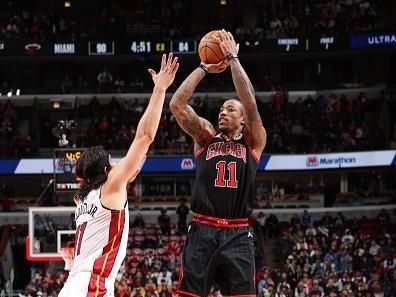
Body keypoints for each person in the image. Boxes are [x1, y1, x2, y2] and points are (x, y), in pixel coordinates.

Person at [58, 53, 179, 297]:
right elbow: (145, 137)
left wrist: (70, 263)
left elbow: (134, 167)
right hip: (91, 286)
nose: (118, 164)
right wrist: (160, 90)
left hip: (74, 284)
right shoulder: (110, 185)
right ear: (105, 171)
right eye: (113, 162)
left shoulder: (83, 198)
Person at [170, 30, 266, 296]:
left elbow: (250, 102)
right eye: (221, 109)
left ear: (243, 119)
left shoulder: (253, 143)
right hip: (202, 229)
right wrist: (204, 67)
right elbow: (177, 105)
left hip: (238, 233)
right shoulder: (205, 137)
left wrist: (233, 58)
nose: (223, 112)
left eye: (230, 109)